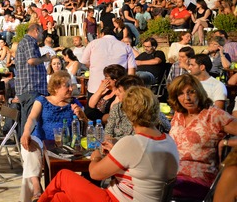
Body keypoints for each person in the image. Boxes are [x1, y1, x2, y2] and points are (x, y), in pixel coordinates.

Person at [39, 86, 179, 202]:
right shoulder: (168, 140)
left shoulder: (133, 143)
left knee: (63, 176)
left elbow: (94, 173)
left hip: (116, 199)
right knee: (60, 198)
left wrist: (96, 157)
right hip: (132, 197)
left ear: (128, 113)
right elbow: (141, 165)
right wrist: (116, 152)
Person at [167, 74, 237, 199]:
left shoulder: (214, 115)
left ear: (199, 92)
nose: (187, 98)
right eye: (181, 94)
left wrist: (227, 143)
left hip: (198, 176)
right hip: (171, 173)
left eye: (191, 92)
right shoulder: (178, 114)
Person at [20, 71, 86, 202]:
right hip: (40, 140)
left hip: (65, 144)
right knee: (29, 147)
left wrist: (81, 115)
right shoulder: (42, 100)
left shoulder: (74, 103)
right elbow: (32, 118)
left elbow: (87, 125)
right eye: (67, 86)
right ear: (56, 88)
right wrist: (26, 132)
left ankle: (38, 196)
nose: (71, 89)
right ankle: (37, 187)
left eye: (71, 85)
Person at [80, 26, 136, 109]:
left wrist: (95, 67)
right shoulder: (125, 47)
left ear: (101, 34)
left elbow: (84, 61)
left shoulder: (93, 43)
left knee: (92, 112)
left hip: (96, 85)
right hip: (118, 87)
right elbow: (132, 70)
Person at [104, 75, 170, 142]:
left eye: (120, 91)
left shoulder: (147, 108)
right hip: (117, 146)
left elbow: (167, 127)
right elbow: (108, 132)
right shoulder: (117, 108)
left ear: (131, 93)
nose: (116, 93)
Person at [15, 23, 51, 134]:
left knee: (26, 121)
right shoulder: (29, 41)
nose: (42, 36)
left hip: (28, 88)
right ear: (36, 30)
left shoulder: (26, 41)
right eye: (41, 33)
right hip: (31, 88)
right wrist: (44, 58)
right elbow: (31, 60)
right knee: (31, 122)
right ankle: (27, 147)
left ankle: (24, 147)